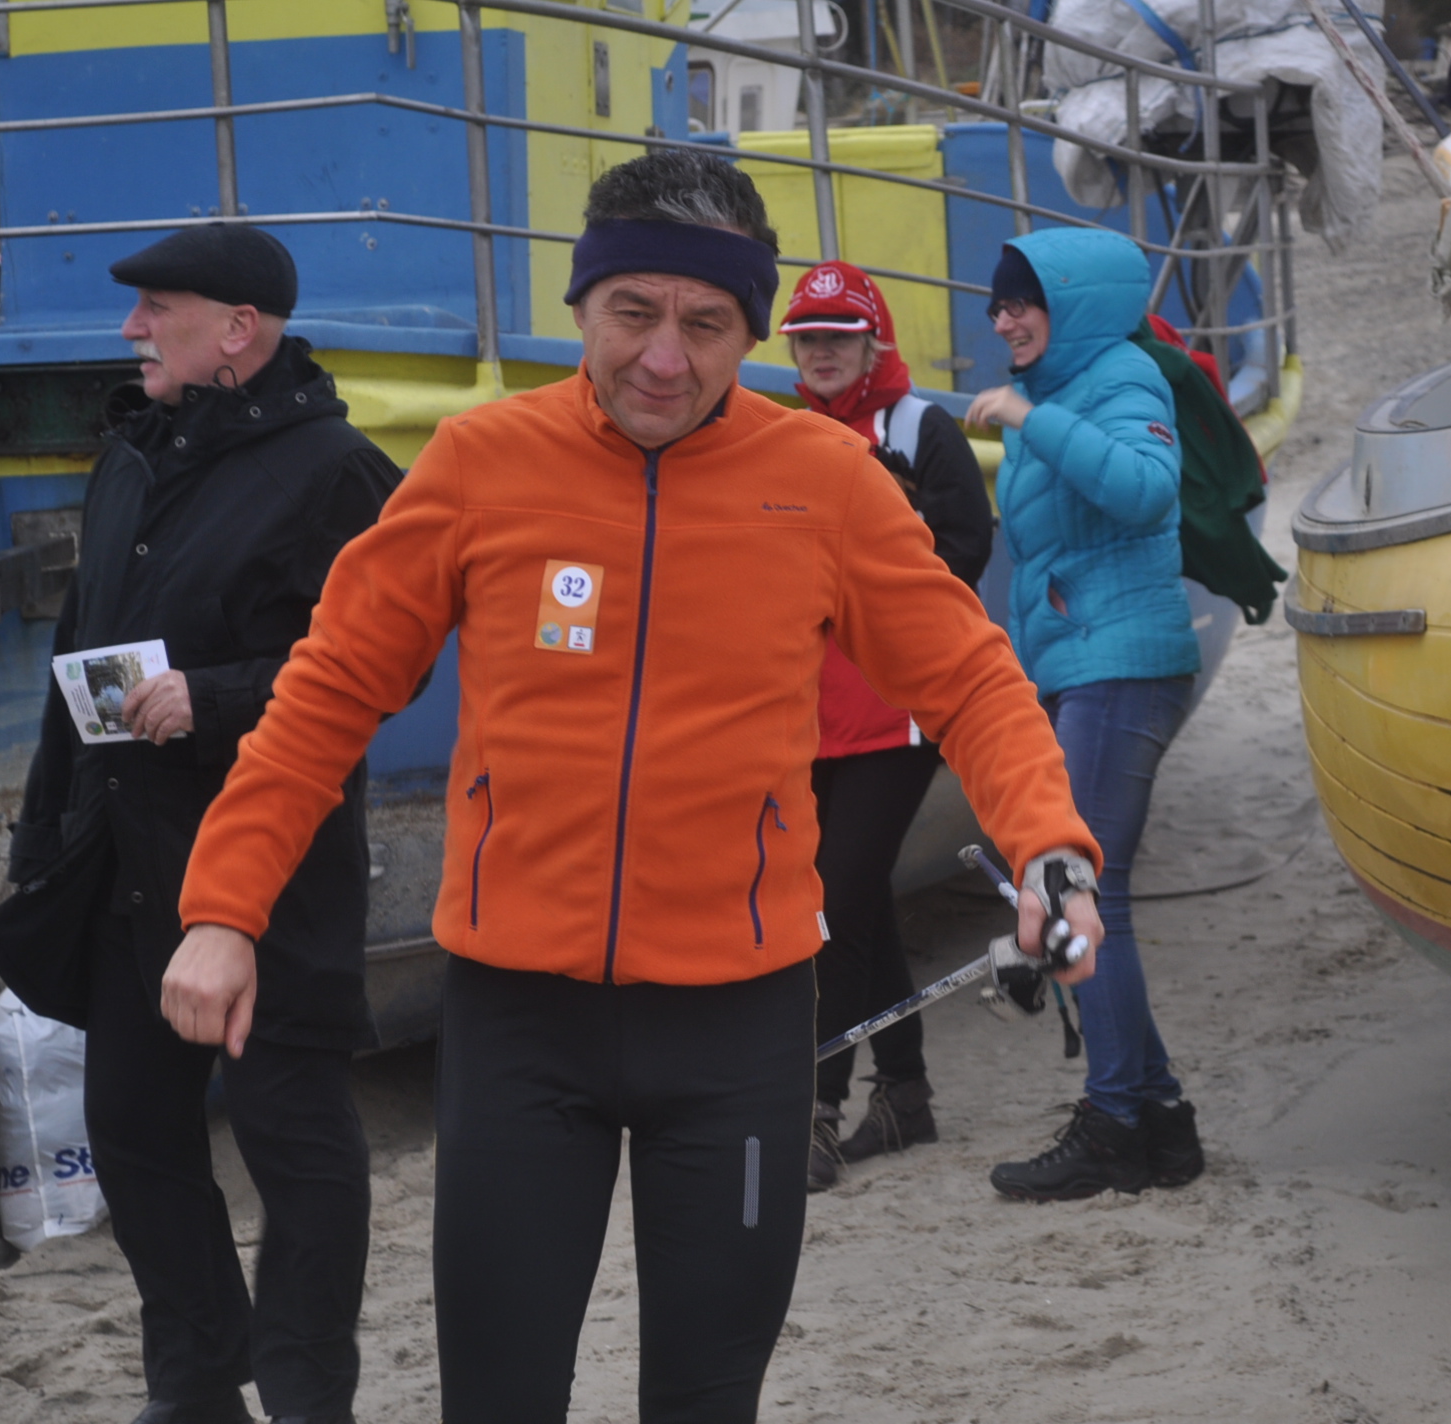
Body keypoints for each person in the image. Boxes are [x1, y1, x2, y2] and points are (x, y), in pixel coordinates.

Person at [160, 149, 1106, 1424]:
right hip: (518, 1018)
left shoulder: (825, 483)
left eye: (705, 323)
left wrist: (1048, 844)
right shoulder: (481, 463)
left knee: (706, 1398)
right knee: (498, 1398)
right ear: (580, 306)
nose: (664, 357)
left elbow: (971, 679)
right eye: (633, 312)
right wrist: (224, 908)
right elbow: (327, 690)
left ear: (750, 332)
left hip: (738, 1023)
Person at [7, 225, 402, 1424]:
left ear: (238, 329)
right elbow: (76, 654)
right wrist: (43, 842)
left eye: (156, 308)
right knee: (131, 1132)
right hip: (128, 865)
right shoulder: (130, 455)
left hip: (273, 872)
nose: (131, 328)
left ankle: (307, 1394)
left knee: (295, 1143)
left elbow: (387, 667)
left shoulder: (338, 471)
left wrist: (217, 694)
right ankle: (195, 1384)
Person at [964, 228, 1207, 1203]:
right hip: (1080, 666)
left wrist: (1031, 416)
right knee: (1082, 891)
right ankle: (1159, 1118)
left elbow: (1146, 492)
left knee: (1083, 896)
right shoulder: (1062, 392)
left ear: (1073, 303)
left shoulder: (1119, 378)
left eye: (1021, 301)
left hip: (1122, 665)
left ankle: (1113, 1122)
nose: (1002, 320)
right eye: (996, 304)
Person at [780, 260, 995, 1190]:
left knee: (831, 904)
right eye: (807, 338)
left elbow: (968, 552)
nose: (822, 352)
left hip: (896, 712)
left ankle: (818, 1114)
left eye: (840, 336)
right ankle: (905, 1094)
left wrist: (898, 531)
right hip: (811, 713)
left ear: (874, 343)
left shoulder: (920, 427)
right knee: (855, 899)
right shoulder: (786, 435)